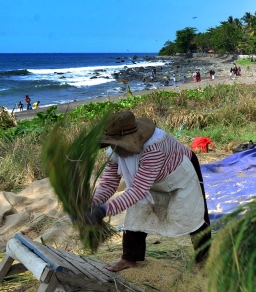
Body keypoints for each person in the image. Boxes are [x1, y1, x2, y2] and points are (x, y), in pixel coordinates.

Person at [87, 111, 211, 272]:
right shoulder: (113, 153)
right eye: (112, 144)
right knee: (138, 212)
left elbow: (138, 190)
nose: (116, 149)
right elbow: (109, 183)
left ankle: (205, 260)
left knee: (193, 213)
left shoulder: (153, 148)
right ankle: (129, 258)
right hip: (150, 179)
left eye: (121, 144)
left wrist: (104, 210)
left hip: (178, 172)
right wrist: (93, 203)